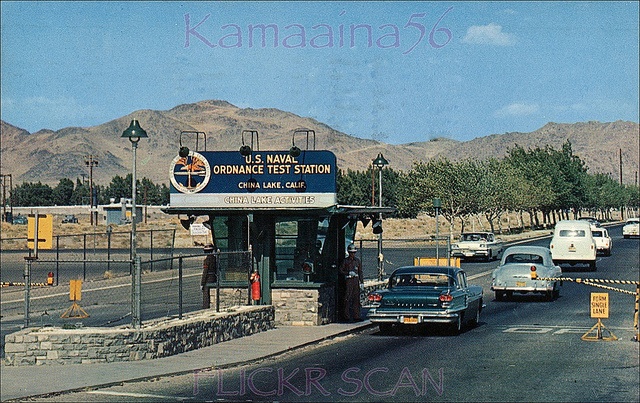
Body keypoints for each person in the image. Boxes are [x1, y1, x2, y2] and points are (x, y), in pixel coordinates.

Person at [339, 243, 363, 322]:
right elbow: (341, 270)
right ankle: (347, 316)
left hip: (355, 280)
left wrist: (361, 282)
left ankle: (356, 316)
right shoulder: (346, 261)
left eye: (354, 252)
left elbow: (360, 272)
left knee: (356, 298)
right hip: (349, 280)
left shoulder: (357, 261)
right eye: (351, 252)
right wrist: (348, 273)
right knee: (347, 298)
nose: (352, 254)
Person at [201, 243, 218, 309]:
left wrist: (202, 283)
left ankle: (205, 306)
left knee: (205, 291)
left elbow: (205, 272)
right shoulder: (215, 258)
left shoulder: (207, 260)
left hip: (208, 278)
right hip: (214, 276)